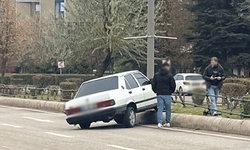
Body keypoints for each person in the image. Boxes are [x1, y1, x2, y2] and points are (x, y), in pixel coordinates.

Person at [152, 58, 176, 128]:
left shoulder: (157, 75)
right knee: (168, 109)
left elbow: (153, 84)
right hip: (168, 94)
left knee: (160, 108)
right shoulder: (169, 75)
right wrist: (171, 91)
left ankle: (159, 122)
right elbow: (173, 84)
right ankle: (167, 122)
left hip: (159, 93)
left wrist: (155, 91)